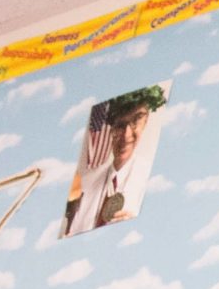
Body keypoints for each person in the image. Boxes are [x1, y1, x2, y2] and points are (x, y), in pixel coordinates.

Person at [63, 86, 167, 236]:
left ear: (146, 121)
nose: (126, 135)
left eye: (135, 120)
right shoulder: (87, 184)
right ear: (110, 129)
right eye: (120, 125)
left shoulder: (153, 179)